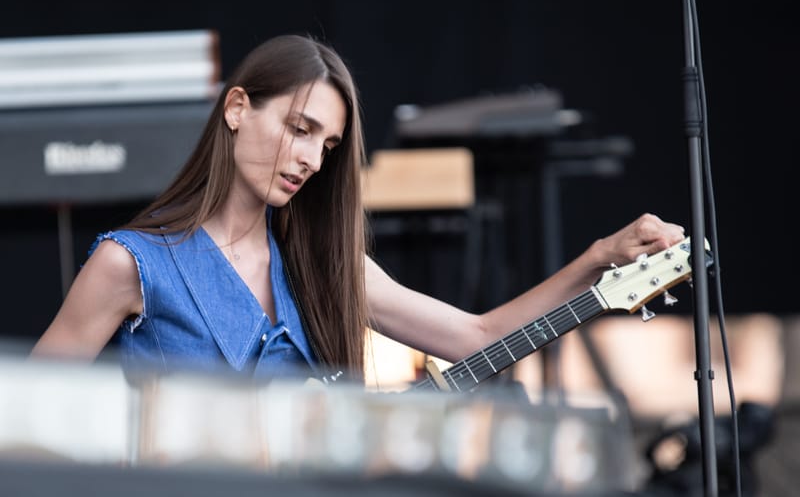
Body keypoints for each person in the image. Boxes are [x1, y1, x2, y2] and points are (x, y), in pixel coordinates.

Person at [30, 34, 685, 383]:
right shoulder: (131, 264)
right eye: (299, 127)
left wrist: (598, 260)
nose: (313, 159)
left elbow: (476, 337)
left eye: (330, 144)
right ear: (236, 109)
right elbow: (25, 418)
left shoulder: (322, 263)